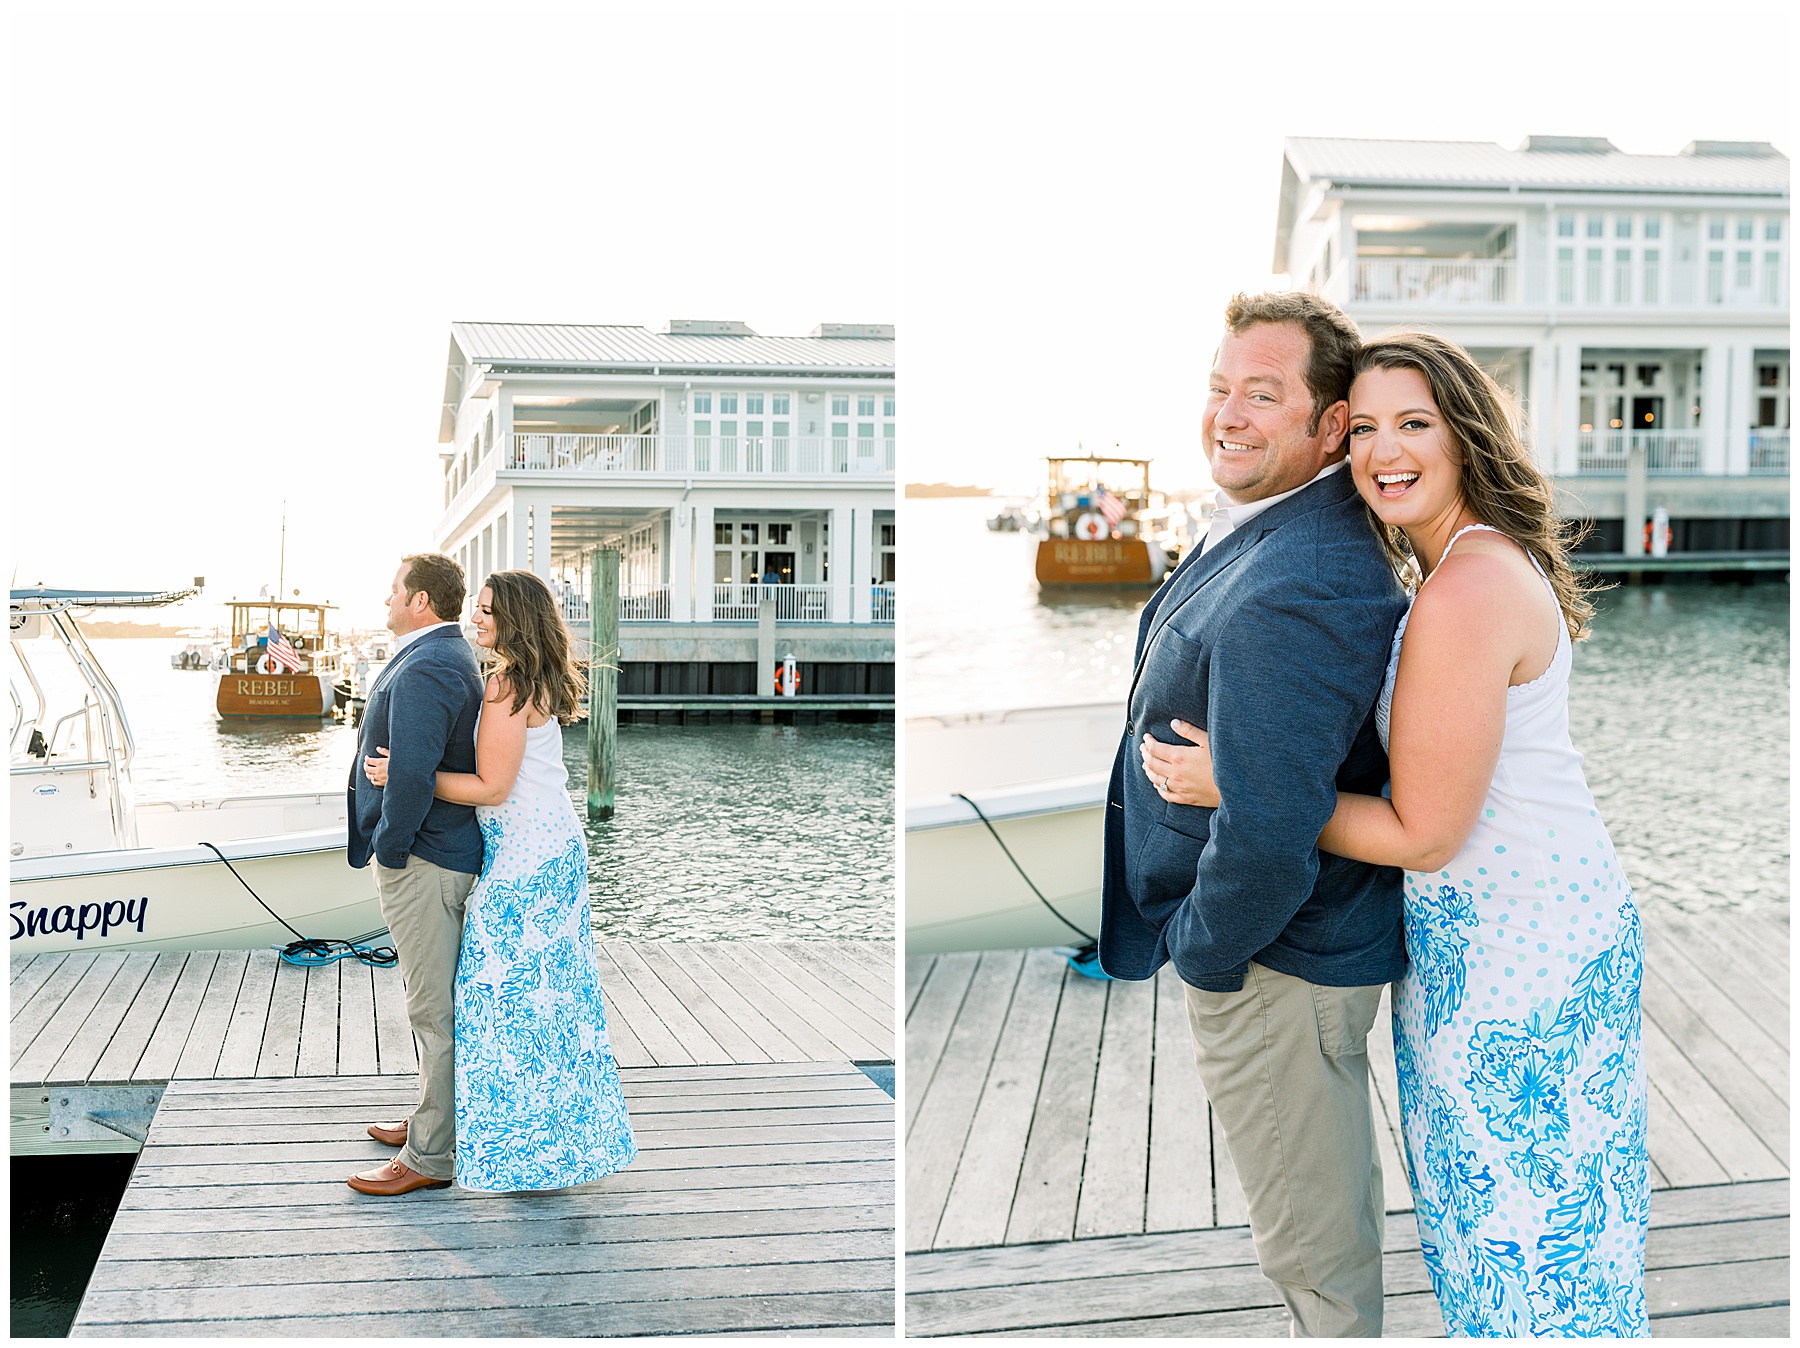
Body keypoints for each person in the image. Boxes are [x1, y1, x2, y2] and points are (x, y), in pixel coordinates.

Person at [1141, 332, 1648, 1337]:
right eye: (1364, 426)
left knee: (1529, 1249)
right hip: (1510, 936)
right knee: (1531, 1238)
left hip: (1520, 956)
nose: (1385, 450)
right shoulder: (1459, 566)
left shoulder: (1463, 592)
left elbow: (1424, 833)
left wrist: (1239, 782)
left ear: (1466, 434)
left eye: (1414, 423)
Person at [1099, 292, 1411, 1337]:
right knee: (1318, 1221)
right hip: (1277, 955)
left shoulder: (1305, 575)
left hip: (1280, 961)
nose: (1229, 414)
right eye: (1222, 388)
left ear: (1329, 426)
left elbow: (1273, 822)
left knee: (1312, 1250)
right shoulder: (1271, 529)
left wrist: (1206, 951)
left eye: (1263, 395)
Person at [364, 568, 637, 1192]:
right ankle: (512, 1131)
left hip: (529, 860)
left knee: (498, 998)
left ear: (516, 619)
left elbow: (492, 788)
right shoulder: (518, 678)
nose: (477, 619)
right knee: (547, 1000)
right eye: (478, 609)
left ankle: (504, 1144)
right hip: (545, 849)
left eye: (489, 611)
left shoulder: (507, 685)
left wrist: (406, 775)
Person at [345, 553, 485, 1196]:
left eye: (394, 590)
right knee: (427, 1001)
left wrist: (392, 852)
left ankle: (432, 1156)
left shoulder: (430, 663)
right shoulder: (435, 653)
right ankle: (431, 1115)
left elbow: (412, 772)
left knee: (433, 1008)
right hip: (427, 855)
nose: (386, 599)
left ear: (421, 600)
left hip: (425, 858)